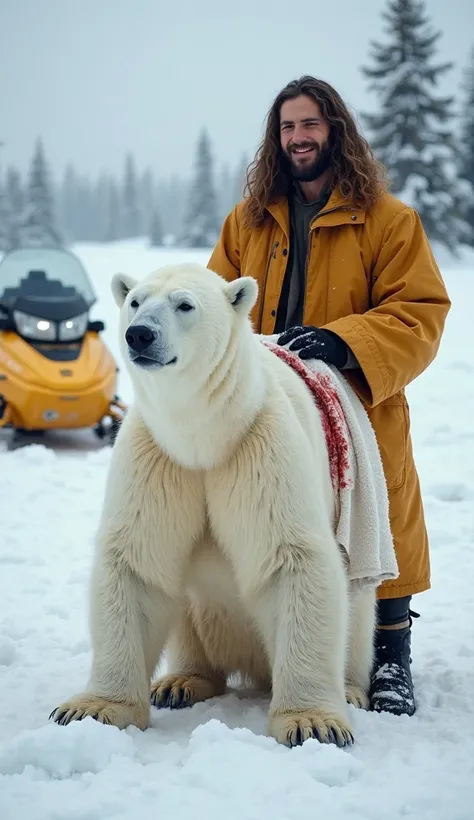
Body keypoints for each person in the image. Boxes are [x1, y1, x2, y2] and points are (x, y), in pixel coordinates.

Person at [207, 75, 451, 717]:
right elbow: (209, 306)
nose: (298, 137)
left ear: (335, 129)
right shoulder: (247, 221)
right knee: (272, 526)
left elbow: (420, 312)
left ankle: (390, 660)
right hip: (265, 410)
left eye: (309, 124)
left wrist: (343, 344)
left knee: (380, 525)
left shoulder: (390, 221)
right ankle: (262, 648)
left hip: (361, 406)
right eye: (287, 127)